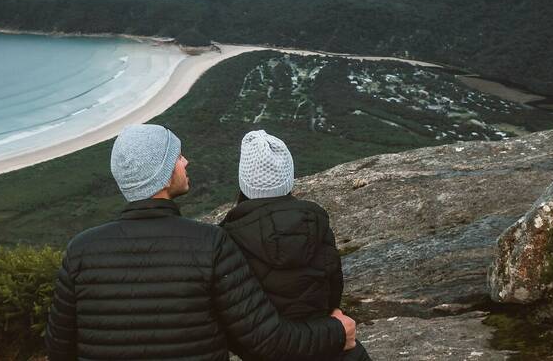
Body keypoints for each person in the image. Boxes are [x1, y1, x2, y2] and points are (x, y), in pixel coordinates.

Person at [45, 124, 357, 361]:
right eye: (178, 157)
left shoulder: (80, 250)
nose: (186, 161)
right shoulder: (210, 244)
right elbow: (266, 340)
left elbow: (59, 348)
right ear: (165, 177)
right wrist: (336, 331)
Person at [220, 130, 371, 361]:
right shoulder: (316, 223)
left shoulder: (225, 237)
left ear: (244, 182)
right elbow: (333, 292)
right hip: (331, 346)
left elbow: (235, 319)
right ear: (288, 178)